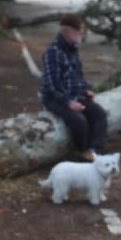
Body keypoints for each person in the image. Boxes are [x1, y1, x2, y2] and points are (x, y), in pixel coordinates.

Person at [40, 14, 107, 162]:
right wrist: (68, 102)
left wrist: (86, 89)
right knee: (79, 120)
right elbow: (53, 84)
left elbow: (78, 75)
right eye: (80, 32)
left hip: (75, 94)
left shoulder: (73, 50)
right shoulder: (53, 53)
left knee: (99, 114)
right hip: (55, 98)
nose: (82, 36)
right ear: (68, 32)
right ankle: (82, 152)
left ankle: (94, 150)